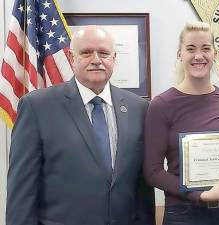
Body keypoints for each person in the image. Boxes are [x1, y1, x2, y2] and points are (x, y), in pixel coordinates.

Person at [6, 26, 154, 225]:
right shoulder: (37, 107)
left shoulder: (139, 108)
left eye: (103, 53)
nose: (96, 59)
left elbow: (142, 189)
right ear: (71, 58)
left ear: (114, 58)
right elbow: (22, 191)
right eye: (86, 53)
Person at [143, 21, 219, 225]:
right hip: (183, 214)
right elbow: (153, 171)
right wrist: (199, 196)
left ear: (215, 54)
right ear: (179, 54)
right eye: (191, 49)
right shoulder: (161, 105)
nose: (198, 56)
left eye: (206, 48)